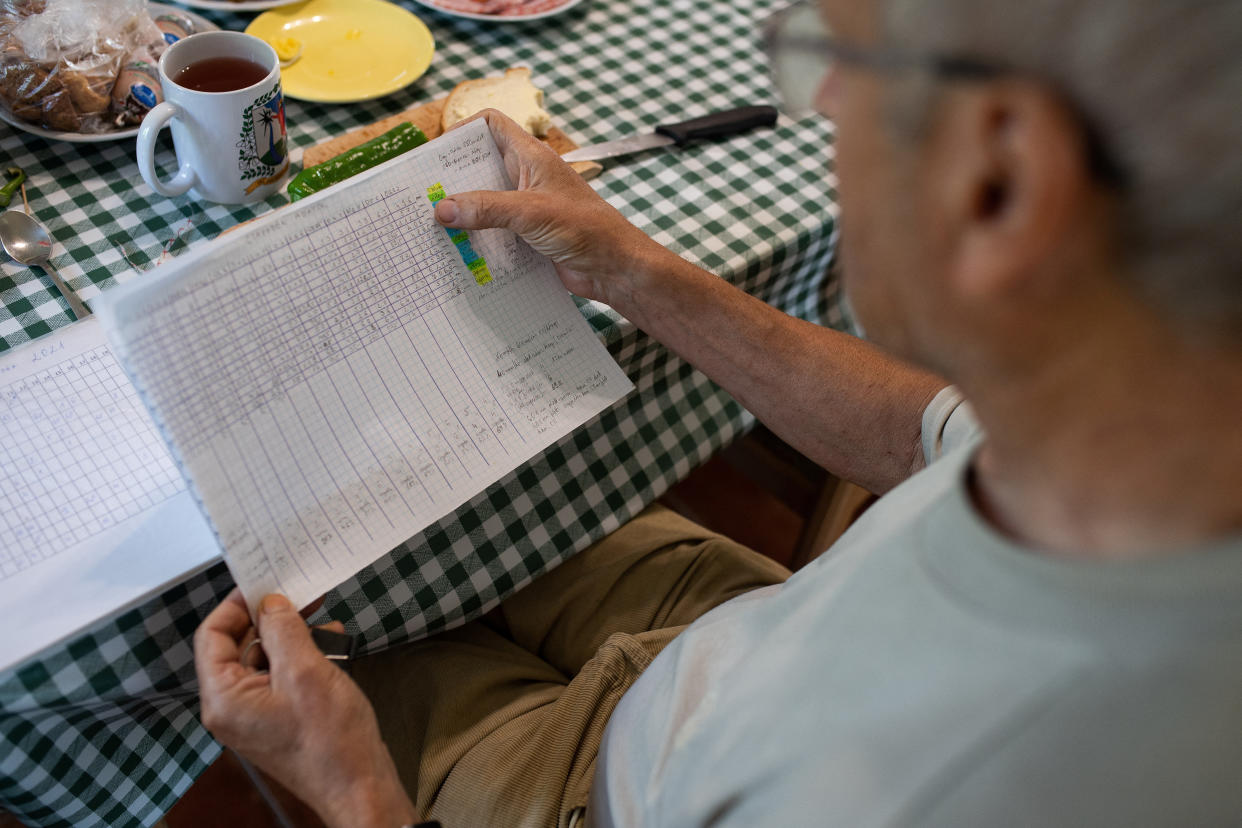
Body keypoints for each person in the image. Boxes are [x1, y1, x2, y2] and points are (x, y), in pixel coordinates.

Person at [193, 0, 1242, 825]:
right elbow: (935, 430)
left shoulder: (912, 789)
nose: (826, 101)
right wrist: (631, 267)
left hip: (612, 791)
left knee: (303, 617)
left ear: (1000, 182)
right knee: (438, 530)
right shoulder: (1140, 425)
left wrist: (355, 797)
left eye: (850, 59)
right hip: (730, 651)